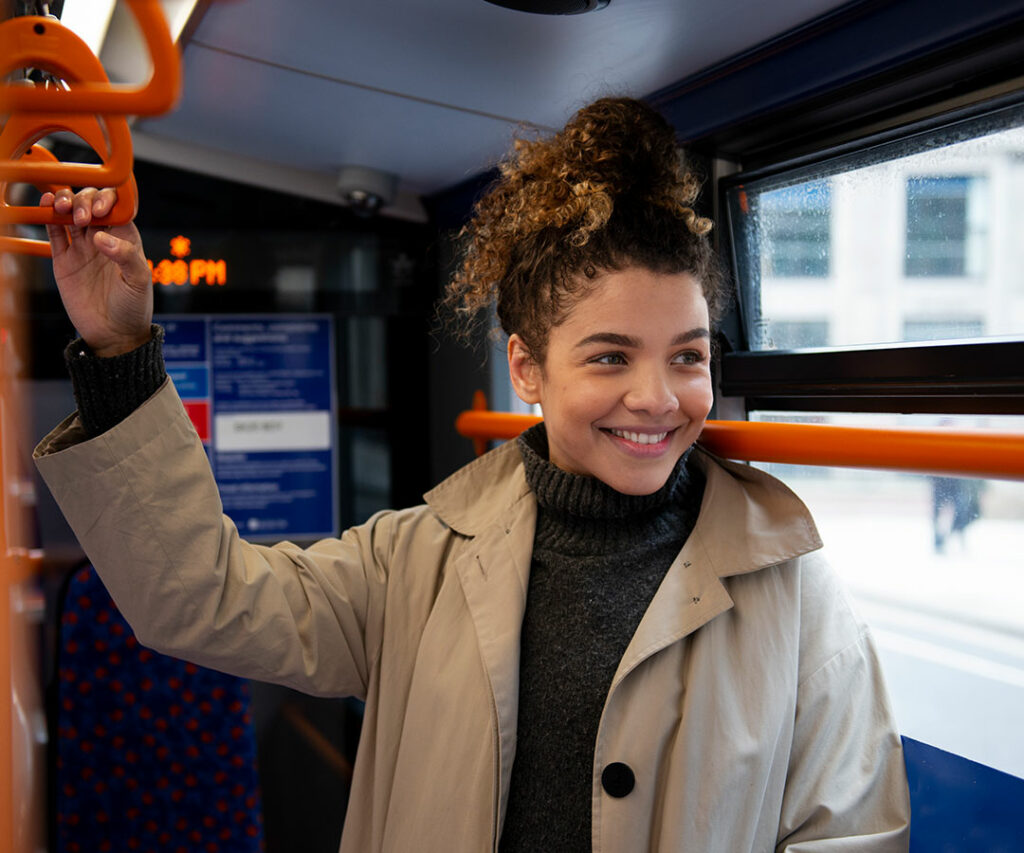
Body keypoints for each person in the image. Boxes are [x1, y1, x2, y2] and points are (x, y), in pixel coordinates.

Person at [33, 97, 910, 852]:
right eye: (609, 357)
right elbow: (202, 597)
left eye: (687, 356)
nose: (657, 397)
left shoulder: (795, 597)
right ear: (526, 369)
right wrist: (118, 354)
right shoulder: (413, 565)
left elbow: (854, 830)